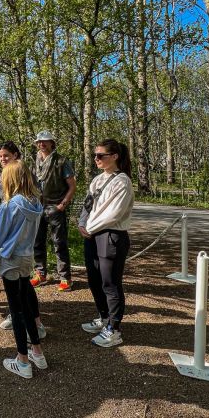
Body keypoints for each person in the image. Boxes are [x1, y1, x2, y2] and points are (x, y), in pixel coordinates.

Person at [0, 141, 46, 338]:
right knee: (19, 284)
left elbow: (33, 200)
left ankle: (33, 323)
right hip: (16, 240)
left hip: (18, 237)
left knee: (22, 286)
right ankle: (21, 318)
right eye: (0, 157)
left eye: (6, 156)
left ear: (16, 155)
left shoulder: (24, 175)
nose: (2, 160)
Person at [0, 160, 48, 378]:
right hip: (27, 258)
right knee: (26, 305)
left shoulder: (10, 205)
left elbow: (0, 236)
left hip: (11, 258)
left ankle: (22, 360)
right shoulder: (35, 203)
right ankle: (37, 351)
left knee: (15, 310)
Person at [78, 139, 134, 348]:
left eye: (101, 155)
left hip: (110, 235)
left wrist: (89, 227)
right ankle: (103, 317)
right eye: (95, 155)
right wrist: (82, 223)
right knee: (94, 279)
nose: (96, 159)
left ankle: (114, 328)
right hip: (92, 235)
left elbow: (113, 214)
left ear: (114, 157)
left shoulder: (123, 182)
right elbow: (88, 204)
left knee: (110, 283)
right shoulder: (97, 180)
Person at [31, 131, 77, 291]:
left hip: (55, 206)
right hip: (38, 207)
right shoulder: (34, 161)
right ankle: (40, 273)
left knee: (59, 242)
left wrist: (62, 205)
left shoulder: (61, 161)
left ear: (52, 143)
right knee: (37, 242)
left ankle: (65, 278)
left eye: (45, 141)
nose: (41, 144)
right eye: (39, 141)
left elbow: (72, 185)